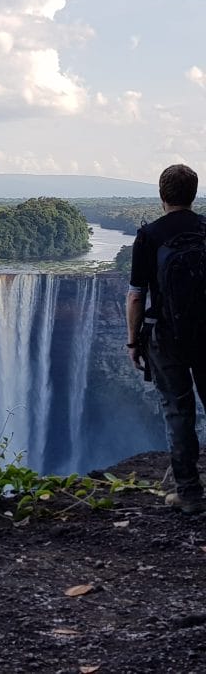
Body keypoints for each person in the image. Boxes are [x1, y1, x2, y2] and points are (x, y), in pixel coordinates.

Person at [126, 163, 206, 514]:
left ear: (162, 196)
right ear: (194, 194)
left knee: (178, 410)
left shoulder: (149, 235)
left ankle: (188, 493)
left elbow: (135, 296)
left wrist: (133, 341)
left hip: (166, 335)